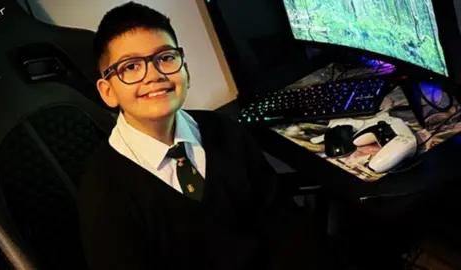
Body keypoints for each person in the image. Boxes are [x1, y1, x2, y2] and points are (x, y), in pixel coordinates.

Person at [77, 2, 325, 270]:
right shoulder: (104, 193)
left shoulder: (224, 130)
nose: (154, 74)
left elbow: (281, 221)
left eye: (165, 58)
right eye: (131, 67)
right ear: (107, 92)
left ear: (186, 69)